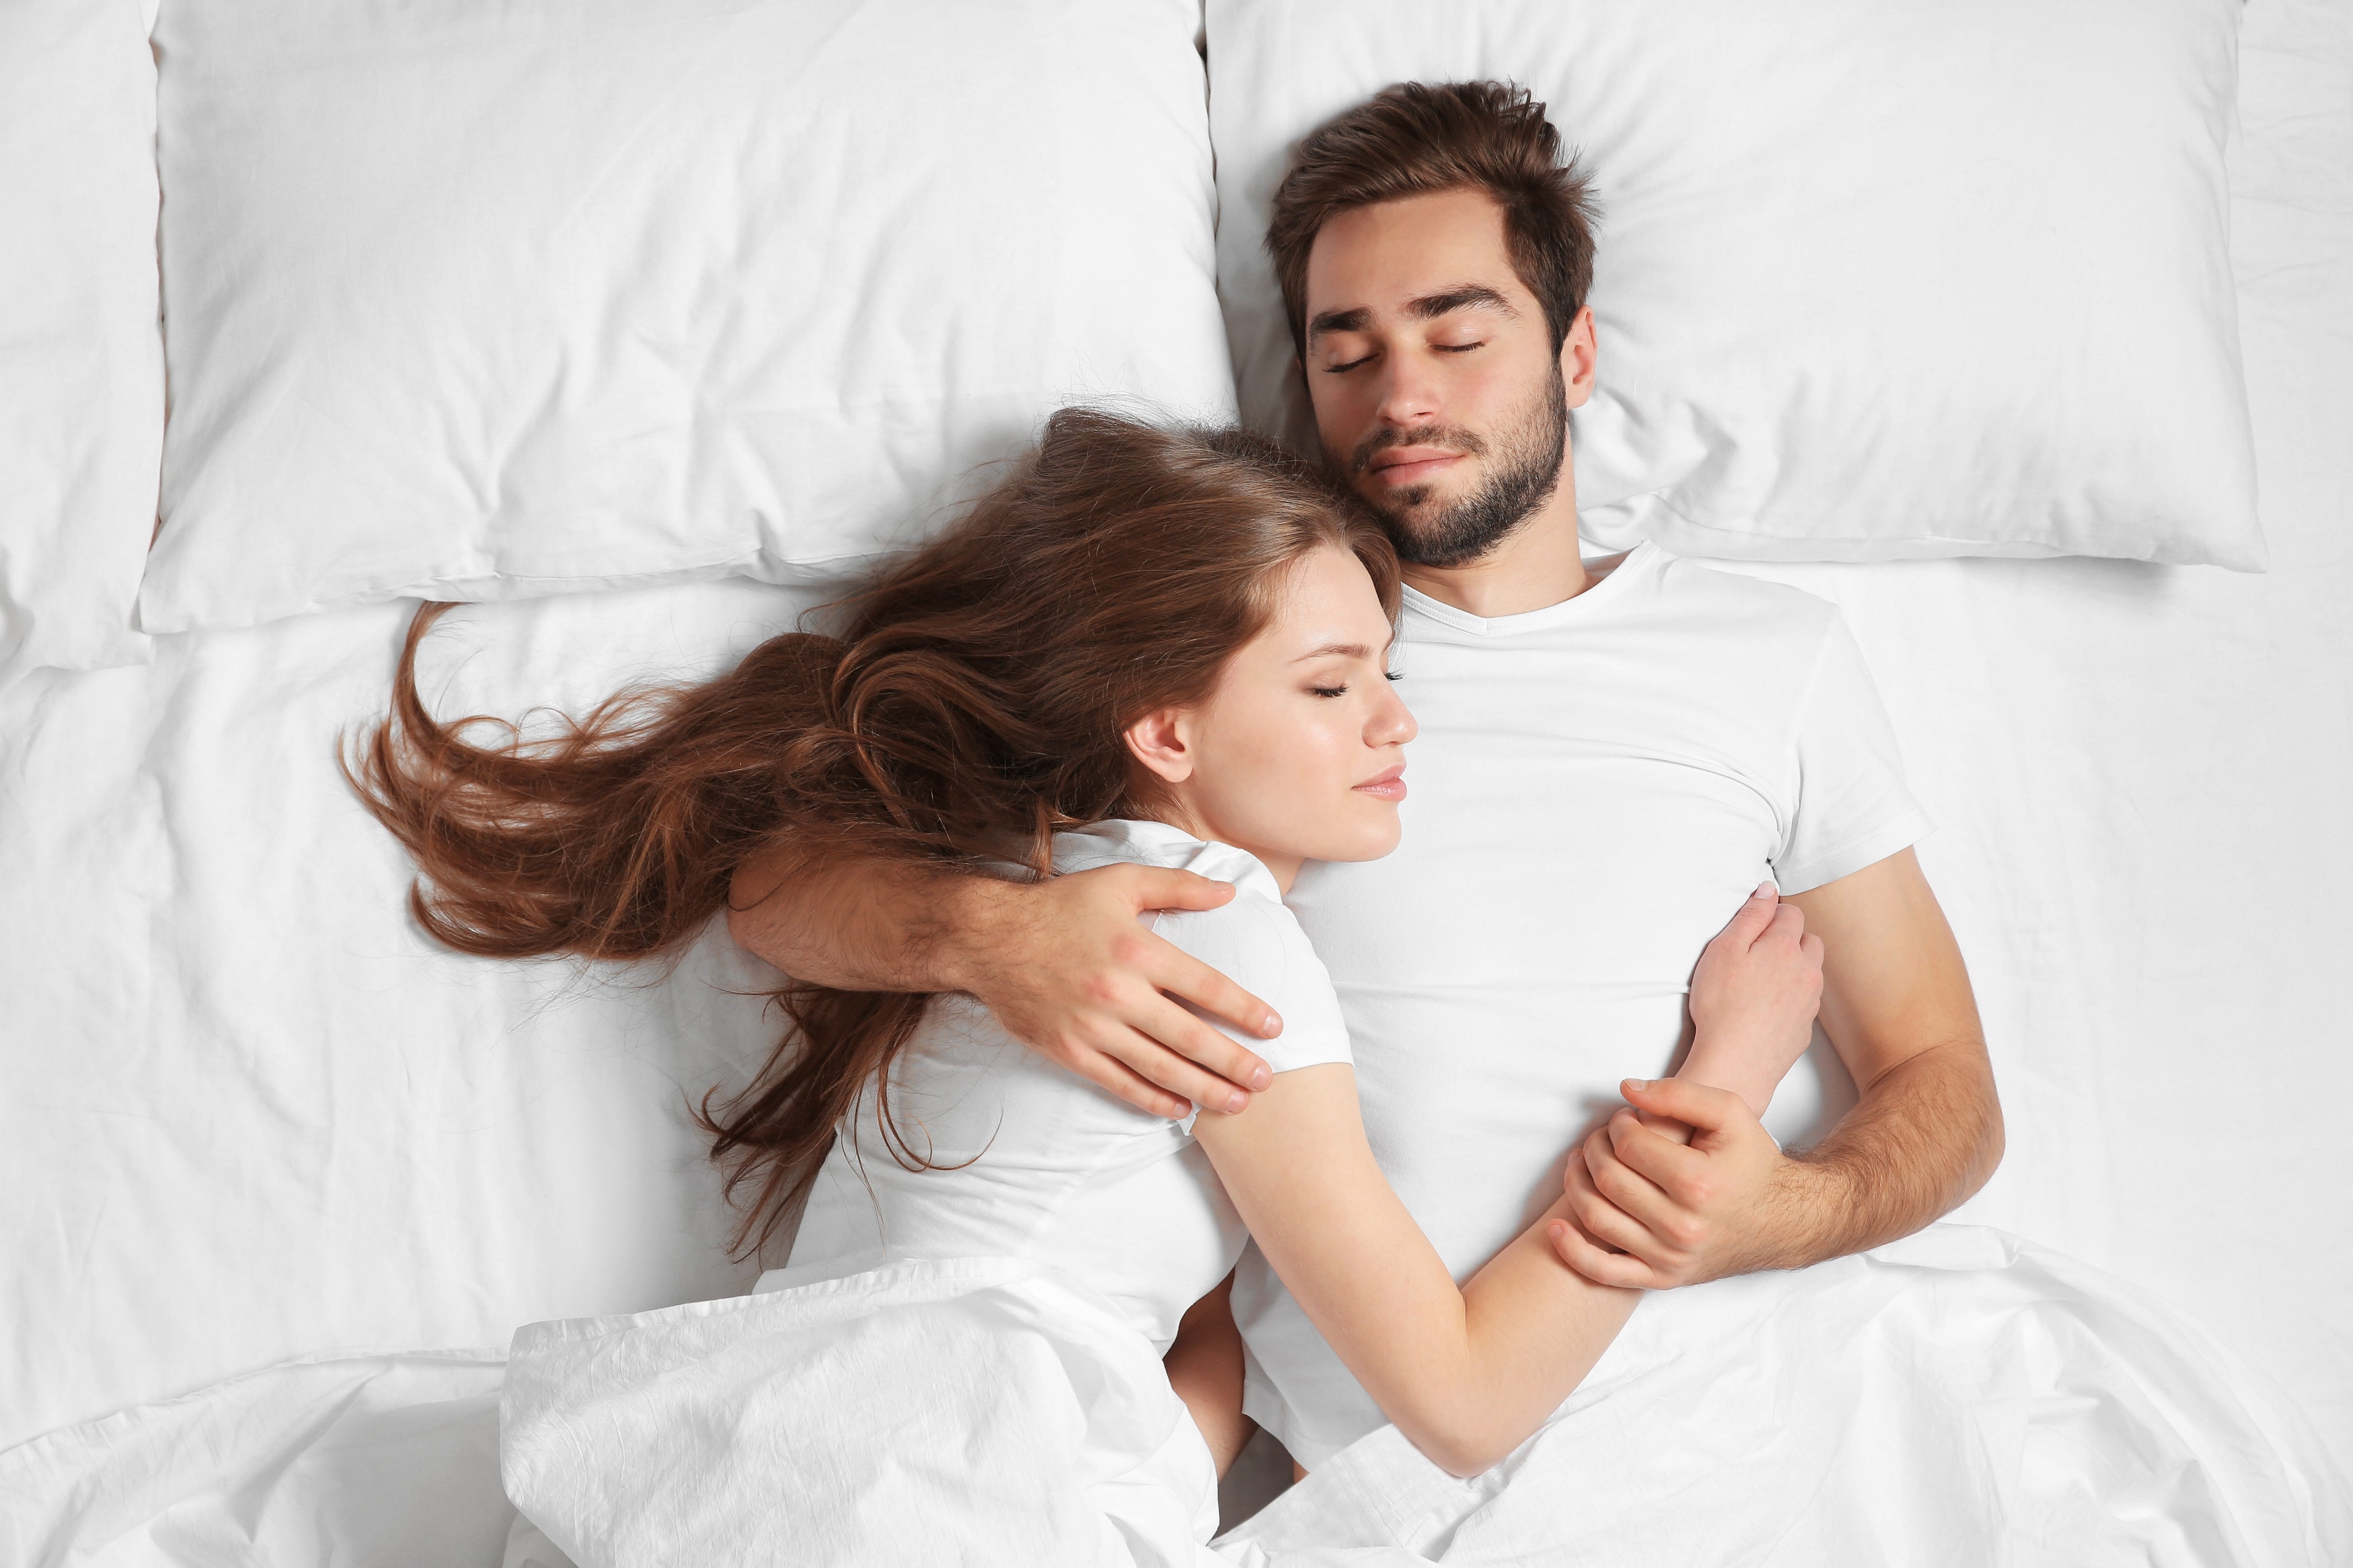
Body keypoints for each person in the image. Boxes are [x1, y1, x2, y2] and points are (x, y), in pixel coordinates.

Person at [724, 81, 2003, 1476]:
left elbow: (1945, 1081)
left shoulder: (1773, 654)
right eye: (1346, 354)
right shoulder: (1237, 650)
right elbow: (777, 890)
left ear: (1575, 353)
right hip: (1366, 1450)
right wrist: (988, 933)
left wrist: (1783, 1209)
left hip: (1711, 1405)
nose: (1403, 396)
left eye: (1458, 333)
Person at [348, 409, 1822, 1493]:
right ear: (1165, 727)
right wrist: (1734, 1066)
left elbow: (771, 894)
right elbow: (1465, 1397)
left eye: (1386, 667)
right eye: (1330, 682)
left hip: (781, 1446)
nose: (1396, 720)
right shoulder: (1221, 936)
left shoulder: (1025, 865)